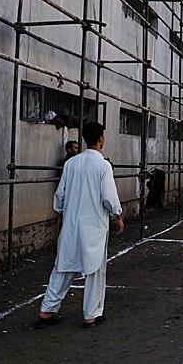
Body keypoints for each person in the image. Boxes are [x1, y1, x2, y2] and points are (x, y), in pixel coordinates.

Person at [34, 121, 124, 329]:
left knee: (62, 266)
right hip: (93, 226)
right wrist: (117, 215)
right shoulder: (103, 165)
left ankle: (47, 310)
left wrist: (60, 214)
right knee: (94, 269)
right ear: (101, 138)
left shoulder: (71, 163)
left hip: (71, 224)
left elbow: (61, 194)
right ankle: (91, 314)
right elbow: (109, 197)